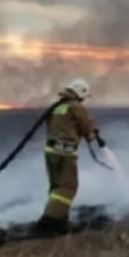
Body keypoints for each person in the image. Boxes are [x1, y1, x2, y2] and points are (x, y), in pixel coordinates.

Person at [35, 77, 104, 235]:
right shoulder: (75, 107)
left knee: (57, 186)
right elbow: (86, 125)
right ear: (81, 93)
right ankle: (49, 221)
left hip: (51, 151)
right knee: (68, 187)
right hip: (65, 152)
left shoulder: (58, 106)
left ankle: (61, 220)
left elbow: (52, 126)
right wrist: (92, 134)